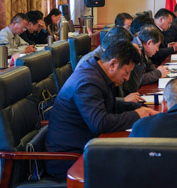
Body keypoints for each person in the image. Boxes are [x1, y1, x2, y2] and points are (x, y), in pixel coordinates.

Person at [46, 39, 158, 177]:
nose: (128, 78)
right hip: (70, 159)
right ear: (113, 64)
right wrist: (136, 115)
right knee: (139, 166)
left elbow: (109, 105)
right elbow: (100, 123)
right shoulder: (88, 82)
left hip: (87, 147)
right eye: (126, 72)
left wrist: (138, 107)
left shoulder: (96, 72)